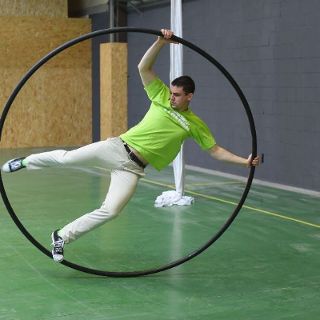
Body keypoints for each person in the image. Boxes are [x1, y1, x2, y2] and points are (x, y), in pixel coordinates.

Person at [1, 29, 260, 263]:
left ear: (189, 96)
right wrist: (160, 42)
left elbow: (215, 150)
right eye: (171, 92)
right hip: (117, 148)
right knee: (67, 159)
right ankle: (24, 162)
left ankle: (61, 236)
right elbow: (143, 67)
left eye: (177, 95)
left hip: (132, 169)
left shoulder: (194, 124)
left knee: (111, 210)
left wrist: (244, 162)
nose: (171, 97)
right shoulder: (159, 96)